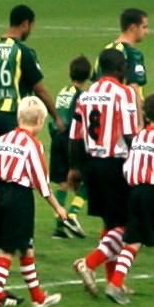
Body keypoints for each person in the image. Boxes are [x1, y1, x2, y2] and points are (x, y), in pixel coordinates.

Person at [0, 95, 67, 307]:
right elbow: (40, 181)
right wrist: (57, 207)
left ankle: (38, 298)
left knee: (26, 247)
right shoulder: (33, 145)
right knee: (7, 251)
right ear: (39, 120)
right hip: (19, 198)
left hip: (0, 195)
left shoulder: (4, 139)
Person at [102, 93, 154, 304]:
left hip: (136, 192)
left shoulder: (139, 137)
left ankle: (115, 283)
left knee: (133, 240)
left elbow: (128, 168)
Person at [70, 49, 138, 296]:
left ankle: (112, 279)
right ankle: (88, 263)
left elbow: (75, 136)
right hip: (116, 164)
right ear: (121, 70)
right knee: (129, 223)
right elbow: (130, 134)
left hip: (92, 164)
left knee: (110, 223)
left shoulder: (86, 95)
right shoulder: (124, 93)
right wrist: (143, 161)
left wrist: (75, 168)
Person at [0, 5, 52, 142]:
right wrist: (56, 116)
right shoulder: (22, 51)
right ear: (25, 24)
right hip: (12, 116)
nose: (30, 31)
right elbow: (40, 90)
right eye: (31, 27)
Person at [50, 56, 90, 237]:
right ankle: (72, 213)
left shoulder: (62, 91)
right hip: (70, 139)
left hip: (56, 137)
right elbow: (79, 120)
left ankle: (58, 227)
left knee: (63, 183)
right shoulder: (81, 96)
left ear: (69, 72)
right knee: (87, 178)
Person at [103, 8, 150, 100]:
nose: (147, 31)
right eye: (144, 27)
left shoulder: (105, 51)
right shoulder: (133, 54)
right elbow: (134, 88)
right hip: (124, 109)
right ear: (132, 28)